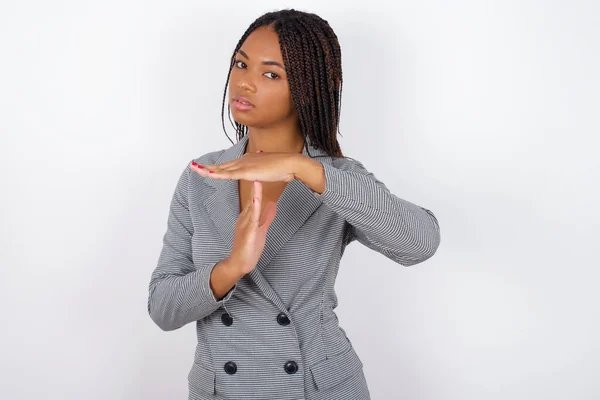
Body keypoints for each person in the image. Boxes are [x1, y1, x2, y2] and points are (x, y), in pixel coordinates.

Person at [147, 8, 440, 400]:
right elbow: (163, 308)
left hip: (315, 388)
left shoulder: (334, 178)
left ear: (307, 87)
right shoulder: (201, 176)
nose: (245, 83)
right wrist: (231, 268)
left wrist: (302, 168)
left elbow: (420, 244)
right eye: (241, 64)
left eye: (270, 74)